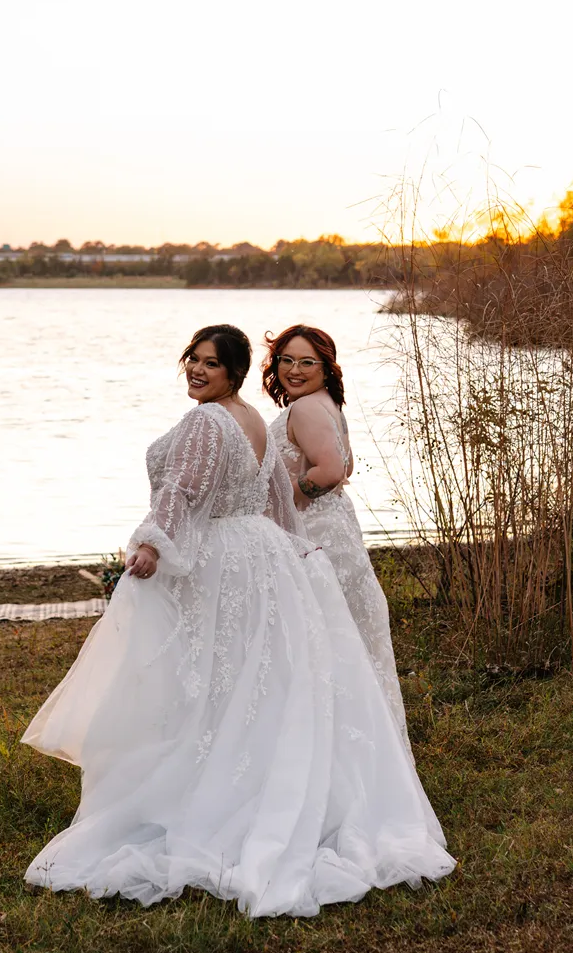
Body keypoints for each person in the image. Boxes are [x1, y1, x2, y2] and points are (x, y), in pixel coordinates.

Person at [22, 323, 453, 918]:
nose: (197, 372)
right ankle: (247, 784)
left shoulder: (207, 422)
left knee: (210, 679)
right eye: (191, 361)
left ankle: (204, 798)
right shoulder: (254, 420)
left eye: (209, 364)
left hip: (221, 559)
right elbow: (278, 501)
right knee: (252, 679)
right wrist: (299, 554)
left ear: (234, 372)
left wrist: (150, 545)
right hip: (262, 560)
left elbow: (181, 489)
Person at [263, 324, 407, 738]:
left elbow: (329, 471)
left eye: (307, 361)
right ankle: (359, 738)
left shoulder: (306, 408)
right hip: (337, 530)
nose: (294, 369)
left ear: (326, 367)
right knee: (343, 637)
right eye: (286, 359)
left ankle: (326, 739)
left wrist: (277, 498)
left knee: (318, 637)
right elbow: (347, 467)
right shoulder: (327, 404)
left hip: (314, 535)